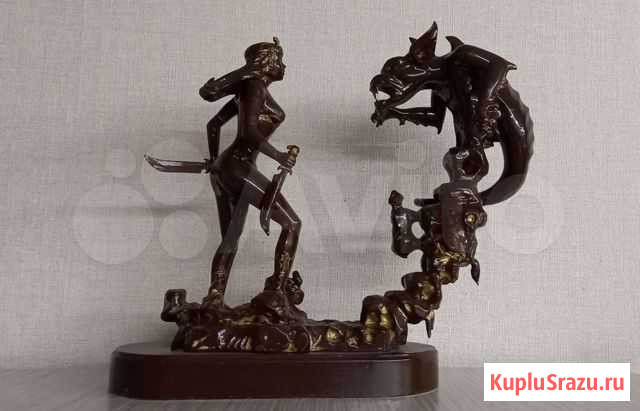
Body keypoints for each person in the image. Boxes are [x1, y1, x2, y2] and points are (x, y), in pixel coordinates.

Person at [199, 38, 301, 310]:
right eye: (279, 59)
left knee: (231, 238)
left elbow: (213, 125)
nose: (283, 65)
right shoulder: (255, 87)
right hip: (239, 165)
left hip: (227, 167)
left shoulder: (247, 89)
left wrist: (214, 160)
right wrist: (278, 155)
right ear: (267, 62)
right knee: (292, 223)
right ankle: (277, 291)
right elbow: (248, 132)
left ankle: (215, 296)